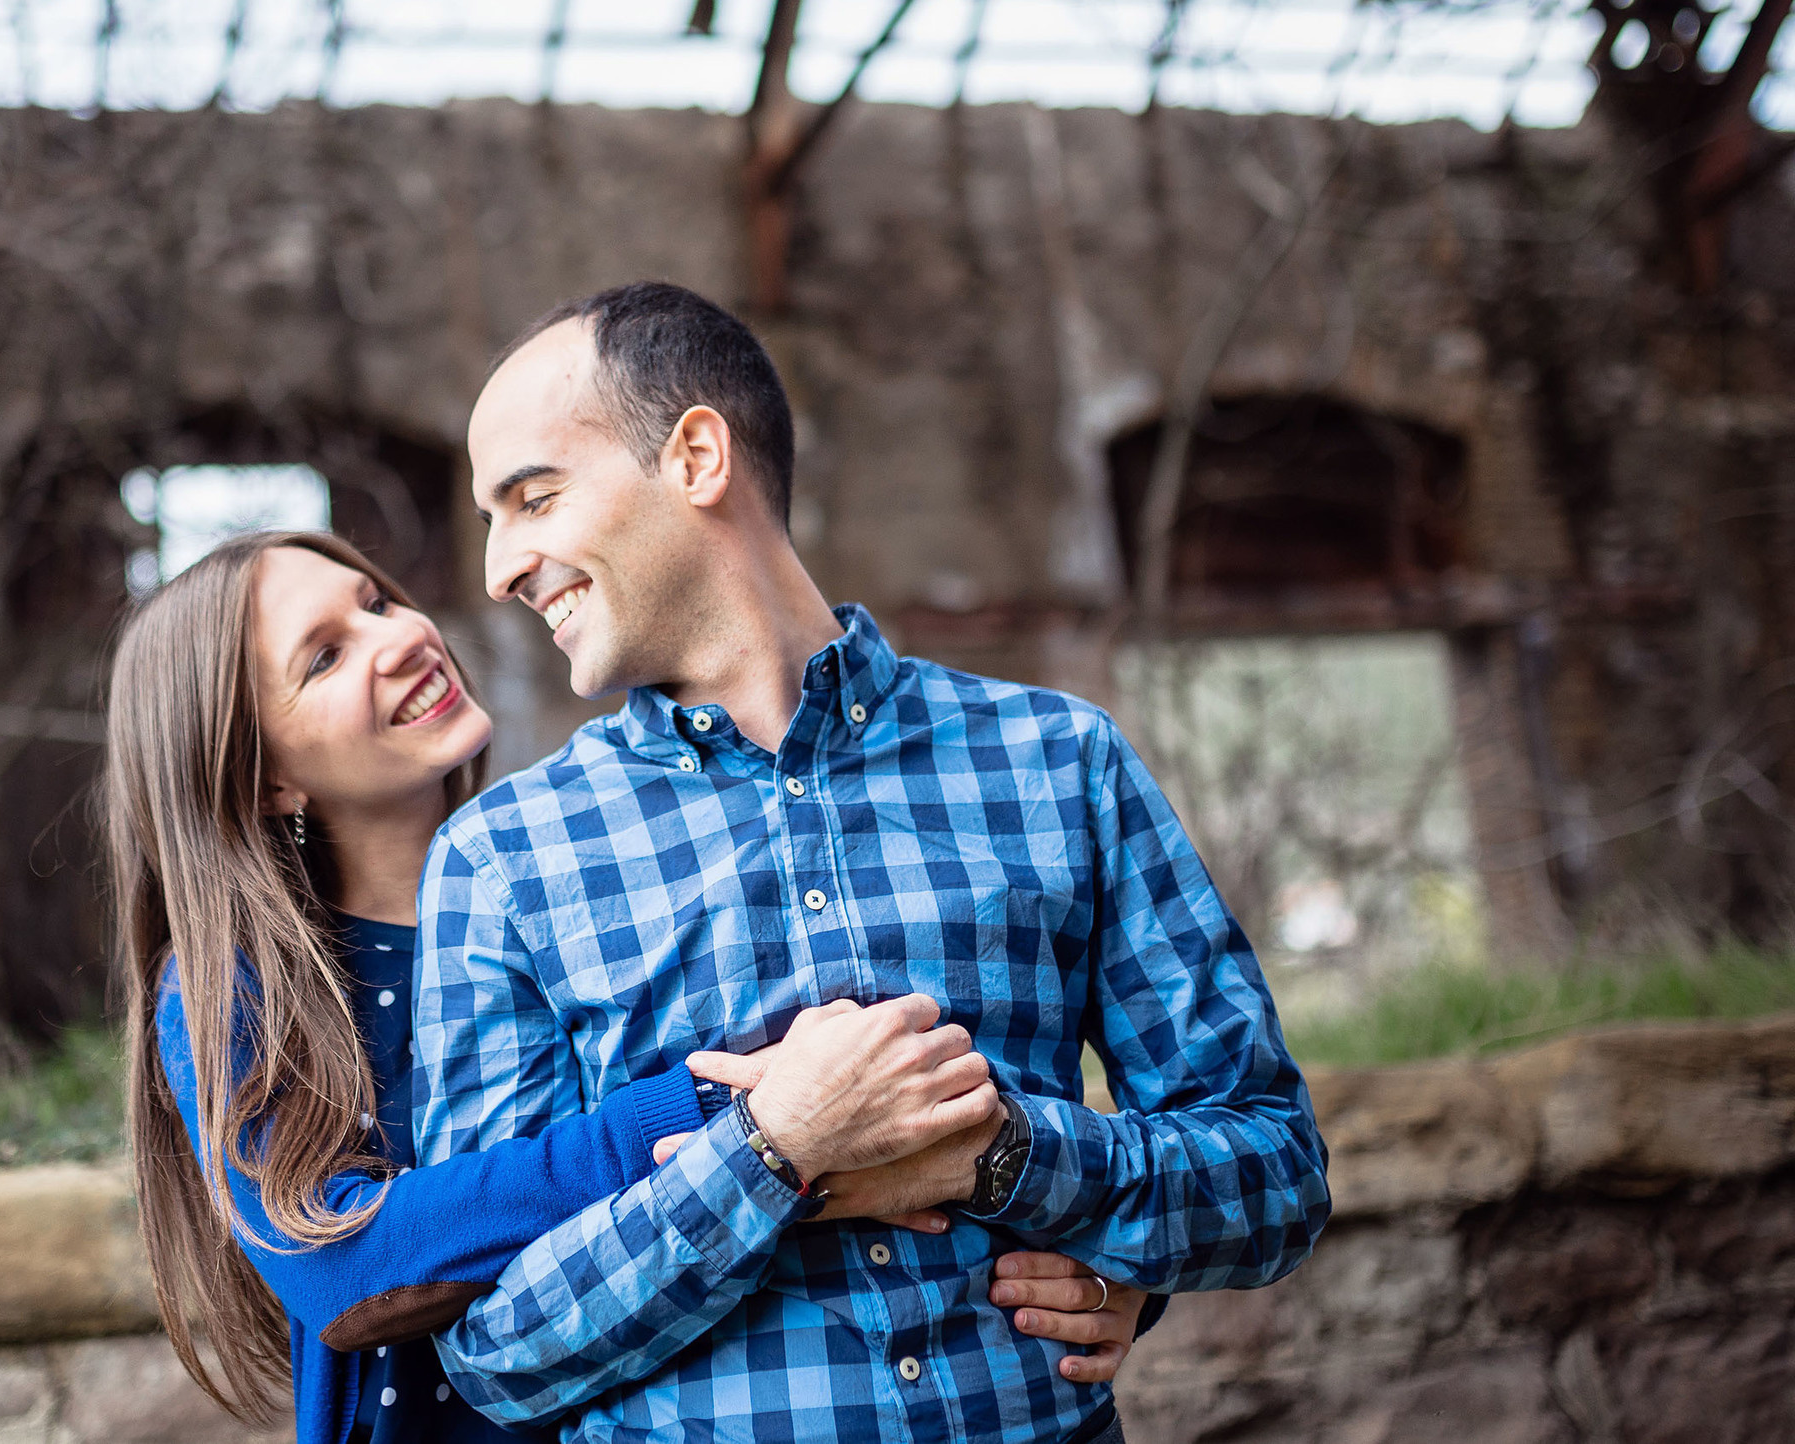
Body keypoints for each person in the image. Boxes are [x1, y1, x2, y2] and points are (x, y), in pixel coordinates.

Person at [417, 281, 1332, 1443]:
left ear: (697, 455)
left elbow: (1275, 1175)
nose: (500, 566)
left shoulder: (1060, 764)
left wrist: (1001, 1158)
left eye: (533, 499)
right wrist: (773, 1153)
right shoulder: (501, 863)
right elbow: (494, 1344)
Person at [106, 530, 1148, 1444]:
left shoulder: (598, 864)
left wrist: (1116, 1275)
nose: (398, 637)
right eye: (326, 657)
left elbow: (908, 1108)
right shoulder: (235, 994)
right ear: (266, 778)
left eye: (375, 601)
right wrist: (715, 1112)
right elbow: (339, 1266)